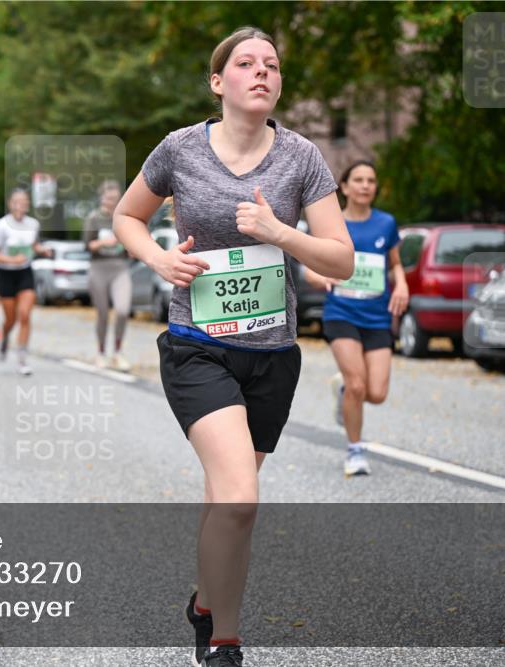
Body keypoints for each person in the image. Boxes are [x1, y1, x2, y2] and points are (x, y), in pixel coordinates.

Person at [112, 27, 354, 667]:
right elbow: (126, 216)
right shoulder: (180, 150)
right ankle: (225, 638)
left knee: (227, 498)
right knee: (242, 496)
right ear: (219, 82)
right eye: (245, 63)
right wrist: (159, 259)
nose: (261, 72)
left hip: (273, 354)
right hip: (199, 346)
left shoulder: (301, 158)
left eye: (271, 64)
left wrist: (280, 231)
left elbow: (342, 258)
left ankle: (202, 600)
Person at [303, 161, 408, 477]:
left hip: (376, 317)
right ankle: (355, 450)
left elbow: (395, 264)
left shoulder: (386, 223)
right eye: (358, 180)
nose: (365, 185)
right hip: (341, 313)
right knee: (358, 384)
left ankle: (342, 391)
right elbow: (309, 266)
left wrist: (401, 284)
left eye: (371, 180)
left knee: (376, 393)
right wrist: (319, 278)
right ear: (344, 187)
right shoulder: (331, 225)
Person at [0, 188, 52, 375]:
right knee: (11, 319)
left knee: (24, 315)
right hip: (5, 274)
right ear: (10, 204)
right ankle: (5, 336)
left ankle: (22, 358)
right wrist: (10, 260)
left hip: (25, 273)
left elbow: (33, 245)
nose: (21, 205)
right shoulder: (1, 225)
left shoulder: (33, 224)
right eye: (17, 201)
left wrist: (42, 250)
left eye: (24, 201)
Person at [84, 180, 133, 371]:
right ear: (102, 198)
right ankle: (101, 352)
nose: (112, 201)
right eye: (109, 198)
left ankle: (118, 352)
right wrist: (104, 242)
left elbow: (133, 242)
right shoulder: (94, 218)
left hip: (120, 267)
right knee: (103, 313)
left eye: (115, 198)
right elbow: (88, 246)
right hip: (99, 268)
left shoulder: (125, 217)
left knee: (122, 310)